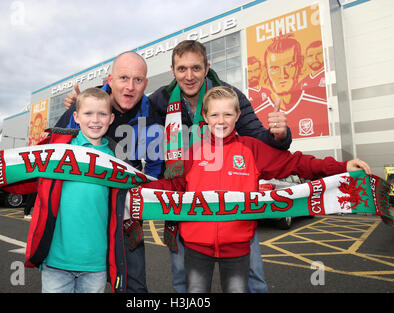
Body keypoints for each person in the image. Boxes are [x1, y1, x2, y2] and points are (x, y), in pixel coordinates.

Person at [62, 41, 291, 293]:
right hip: (182, 202)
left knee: (253, 278)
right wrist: (83, 102)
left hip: (233, 204)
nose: (189, 76)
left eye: (196, 68)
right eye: (182, 69)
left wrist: (279, 135)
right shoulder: (159, 101)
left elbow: (260, 139)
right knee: (184, 279)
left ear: (207, 68)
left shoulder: (229, 96)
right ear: (173, 70)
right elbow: (121, 104)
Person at [137, 86, 371, 292]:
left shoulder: (252, 150)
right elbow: (173, 186)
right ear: (205, 117)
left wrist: (341, 166)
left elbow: (296, 163)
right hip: (196, 247)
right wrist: (138, 185)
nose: (221, 120)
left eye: (227, 114)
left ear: (238, 116)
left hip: (238, 248)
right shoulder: (194, 152)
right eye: (215, 114)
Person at [0, 88, 125, 293]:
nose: (95, 119)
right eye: (88, 113)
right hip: (55, 260)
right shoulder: (56, 150)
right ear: (76, 117)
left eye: (102, 114)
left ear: (111, 118)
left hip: (96, 264)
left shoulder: (117, 161)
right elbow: (20, 170)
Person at [57, 51, 163, 292]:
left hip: (124, 210)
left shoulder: (152, 117)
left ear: (146, 83)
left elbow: (156, 171)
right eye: (123, 78)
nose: (130, 87)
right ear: (110, 79)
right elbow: (52, 149)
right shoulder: (85, 104)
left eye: (138, 80)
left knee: (132, 283)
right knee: (72, 279)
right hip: (82, 211)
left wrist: (141, 204)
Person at [255, 35, 329, 138]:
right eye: (275, 68)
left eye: (290, 65)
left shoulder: (320, 106)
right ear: (266, 71)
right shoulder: (256, 116)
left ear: (300, 65)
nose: (283, 74)